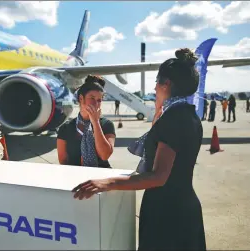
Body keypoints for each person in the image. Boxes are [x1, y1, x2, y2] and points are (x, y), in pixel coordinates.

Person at [72, 48, 206, 250]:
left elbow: (158, 176)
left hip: (167, 213)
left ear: (166, 84)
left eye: (156, 82)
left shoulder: (174, 119)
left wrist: (108, 182)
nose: (154, 88)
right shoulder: (188, 115)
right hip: (182, 206)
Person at [56, 75, 116, 168]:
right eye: (92, 98)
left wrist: (95, 123)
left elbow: (105, 155)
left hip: (102, 175)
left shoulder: (106, 124)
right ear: (81, 98)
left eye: (99, 100)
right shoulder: (66, 128)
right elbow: (63, 160)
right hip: (75, 175)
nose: (96, 103)